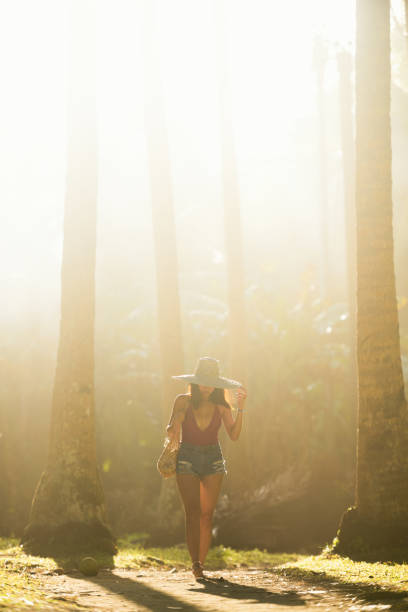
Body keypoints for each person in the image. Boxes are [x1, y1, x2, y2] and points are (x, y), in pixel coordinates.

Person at [166, 357, 247, 579]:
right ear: (195, 381)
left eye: (210, 383)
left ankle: (201, 562)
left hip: (213, 459)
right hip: (187, 458)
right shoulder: (182, 401)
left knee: (207, 515)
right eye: (202, 382)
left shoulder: (222, 405)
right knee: (192, 512)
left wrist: (240, 409)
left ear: (217, 384)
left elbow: (234, 435)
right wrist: (177, 420)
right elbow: (170, 431)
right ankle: (195, 565)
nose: (206, 387)